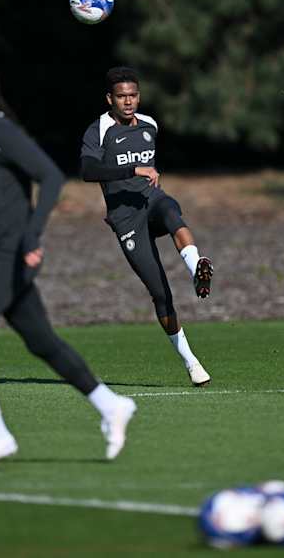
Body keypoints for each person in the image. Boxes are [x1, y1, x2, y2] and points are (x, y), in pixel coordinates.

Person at [0, 65, 136, 470]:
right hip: (2, 258)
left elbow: (51, 177)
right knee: (42, 342)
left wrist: (31, 237)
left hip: (11, 257)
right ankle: (110, 404)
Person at [80, 66, 213, 387]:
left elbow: (148, 166)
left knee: (170, 210)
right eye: (122, 96)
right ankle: (191, 362)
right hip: (125, 218)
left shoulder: (150, 124)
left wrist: (146, 174)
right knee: (160, 294)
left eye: (133, 95)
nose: (128, 101)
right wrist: (133, 169)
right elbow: (87, 170)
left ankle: (198, 267)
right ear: (109, 98)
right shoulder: (99, 129)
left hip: (150, 200)